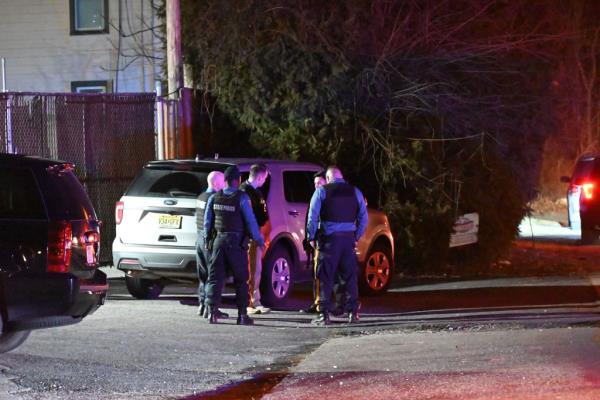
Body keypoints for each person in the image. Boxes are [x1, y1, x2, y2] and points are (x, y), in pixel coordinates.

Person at [306, 166, 368, 326]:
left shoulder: (321, 191)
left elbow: (312, 216)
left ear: (328, 178)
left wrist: (311, 236)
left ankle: (324, 314)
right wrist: (356, 236)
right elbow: (364, 217)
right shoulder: (355, 192)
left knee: (325, 276)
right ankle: (353, 313)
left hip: (329, 240)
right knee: (350, 276)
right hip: (348, 241)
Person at [203, 165, 265, 325]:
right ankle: (242, 315)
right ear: (238, 181)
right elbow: (250, 221)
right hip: (236, 244)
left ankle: (212, 312)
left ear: (225, 180)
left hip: (218, 242)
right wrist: (258, 240)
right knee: (241, 280)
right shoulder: (242, 198)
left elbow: (207, 223)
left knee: (215, 278)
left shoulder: (214, 198)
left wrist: (207, 241)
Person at [195, 171, 227, 320]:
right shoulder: (213, 198)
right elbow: (210, 222)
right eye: (222, 182)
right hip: (208, 240)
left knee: (203, 275)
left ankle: (202, 305)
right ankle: (211, 308)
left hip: (199, 238)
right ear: (215, 183)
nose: (224, 185)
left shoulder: (201, 196)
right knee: (213, 276)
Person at [240, 163, 271, 315]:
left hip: (257, 234)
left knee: (256, 269)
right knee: (252, 269)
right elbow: (249, 217)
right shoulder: (244, 192)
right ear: (259, 177)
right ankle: (251, 303)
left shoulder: (255, 191)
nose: (265, 180)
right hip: (250, 235)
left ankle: (254, 300)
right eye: (265, 177)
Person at [301, 171, 326, 314]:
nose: (316, 186)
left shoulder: (326, 197)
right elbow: (310, 220)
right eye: (315, 183)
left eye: (319, 183)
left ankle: (322, 304)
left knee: (323, 273)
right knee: (316, 273)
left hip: (323, 240)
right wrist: (309, 238)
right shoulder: (316, 196)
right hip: (317, 240)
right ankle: (317, 302)